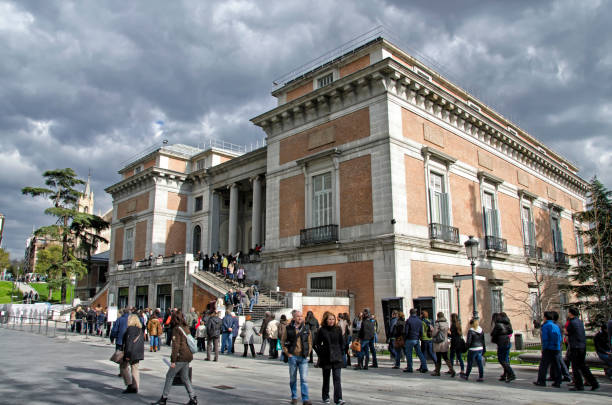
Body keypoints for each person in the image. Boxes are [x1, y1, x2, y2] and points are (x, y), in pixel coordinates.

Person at [151, 311, 198, 405]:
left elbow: (175, 346)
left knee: (169, 376)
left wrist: (173, 360)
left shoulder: (176, 329)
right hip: (188, 355)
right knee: (185, 377)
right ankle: (193, 397)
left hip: (181, 356)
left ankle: (163, 399)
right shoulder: (185, 327)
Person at [281, 310, 313, 405]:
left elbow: (310, 342)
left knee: (304, 379)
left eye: (301, 316)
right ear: (294, 318)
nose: (300, 318)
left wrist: (308, 352)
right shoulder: (288, 328)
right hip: (293, 356)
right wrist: (287, 353)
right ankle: (294, 397)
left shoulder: (306, 328)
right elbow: (283, 341)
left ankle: (305, 399)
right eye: (298, 316)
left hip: (303, 357)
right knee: (293, 379)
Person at [314, 312, 345, 405]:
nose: (331, 321)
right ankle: (325, 396)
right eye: (329, 319)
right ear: (326, 320)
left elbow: (342, 342)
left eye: (333, 319)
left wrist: (341, 351)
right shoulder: (322, 330)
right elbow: (316, 343)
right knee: (326, 378)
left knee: (337, 378)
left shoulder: (338, 329)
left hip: (337, 357)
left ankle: (338, 398)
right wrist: (321, 352)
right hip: (326, 357)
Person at [565, 307, 599, 391]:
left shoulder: (572, 322)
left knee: (575, 367)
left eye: (569, 312)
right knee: (582, 366)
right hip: (582, 346)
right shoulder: (579, 322)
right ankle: (593, 382)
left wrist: (565, 331)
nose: (568, 313)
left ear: (571, 313)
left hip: (575, 347)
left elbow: (567, 332)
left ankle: (579, 385)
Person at [534, 311, 562, 387]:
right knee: (556, 365)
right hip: (556, 348)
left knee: (543, 365)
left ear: (545, 318)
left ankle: (541, 381)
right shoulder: (555, 326)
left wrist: (544, 348)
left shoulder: (546, 326)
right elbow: (559, 337)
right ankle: (558, 381)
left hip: (548, 348)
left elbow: (545, 339)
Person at [120, 314, 145, 394]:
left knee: (123, 367)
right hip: (138, 352)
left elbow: (129, 343)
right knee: (135, 369)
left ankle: (129, 384)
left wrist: (127, 355)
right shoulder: (140, 330)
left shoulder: (131, 329)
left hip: (131, 352)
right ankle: (136, 386)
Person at [491, 312, 515, 382]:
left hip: (501, 342)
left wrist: (499, 334)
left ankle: (511, 373)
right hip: (507, 341)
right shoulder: (507, 324)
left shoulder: (498, 325)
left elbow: (493, 333)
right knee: (505, 358)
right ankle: (506, 374)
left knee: (501, 359)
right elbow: (511, 331)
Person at [404, 308, 428, 373]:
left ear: (410, 313)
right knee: (420, 353)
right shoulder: (419, 321)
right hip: (416, 339)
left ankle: (410, 367)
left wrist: (405, 338)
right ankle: (424, 366)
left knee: (409, 354)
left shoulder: (408, 321)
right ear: (416, 313)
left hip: (409, 338)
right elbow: (421, 331)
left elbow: (406, 331)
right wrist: (419, 337)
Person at [431, 312, 455, 377]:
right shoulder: (446, 323)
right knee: (446, 357)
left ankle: (437, 371)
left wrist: (432, 330)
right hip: (445, 341)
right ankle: (451, 369)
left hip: (438, 342)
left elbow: (434, 333)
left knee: (438, 357)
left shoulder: (437, 324)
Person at [110, 309, 130, 376]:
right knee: (126, 356)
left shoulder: (119, 319)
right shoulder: (131, 320)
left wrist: (112, 338)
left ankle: (122, 371)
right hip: (128, 341)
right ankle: (125, 369)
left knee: (119, 356)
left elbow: (114, 330)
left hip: (120, 340)